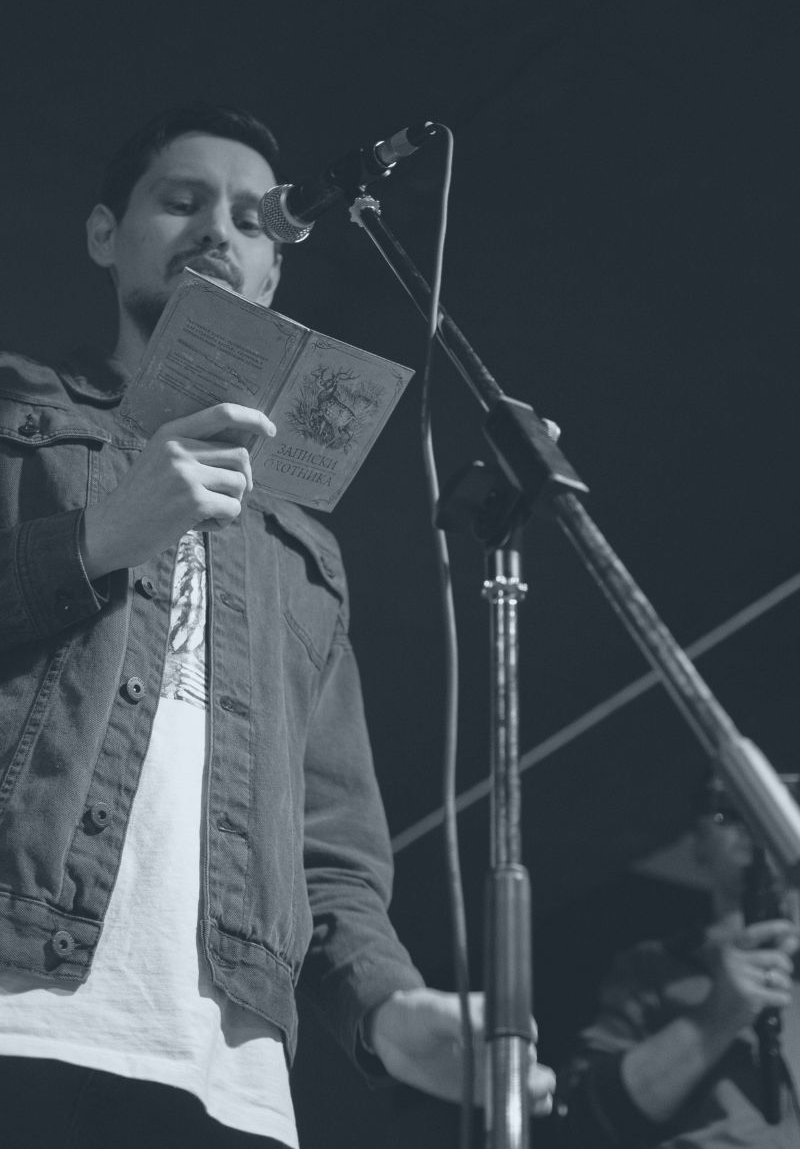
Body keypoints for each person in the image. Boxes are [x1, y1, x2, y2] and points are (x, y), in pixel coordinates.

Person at [0, 104, 555, 1148]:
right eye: (183, 200)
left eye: (256, 221)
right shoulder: (9, 411)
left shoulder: (300, 543)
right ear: (102, 232)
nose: (221, 229)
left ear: (274, 273)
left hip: (228, 1069)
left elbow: (332, 845)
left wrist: (389, 1009)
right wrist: (99, 536)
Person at [558, 774, 800, 1147]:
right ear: (698, 844)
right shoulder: (650, 966)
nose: (754, 826)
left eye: (775, 809)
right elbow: (588, 1121)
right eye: (728, 813)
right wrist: (716, 1017)